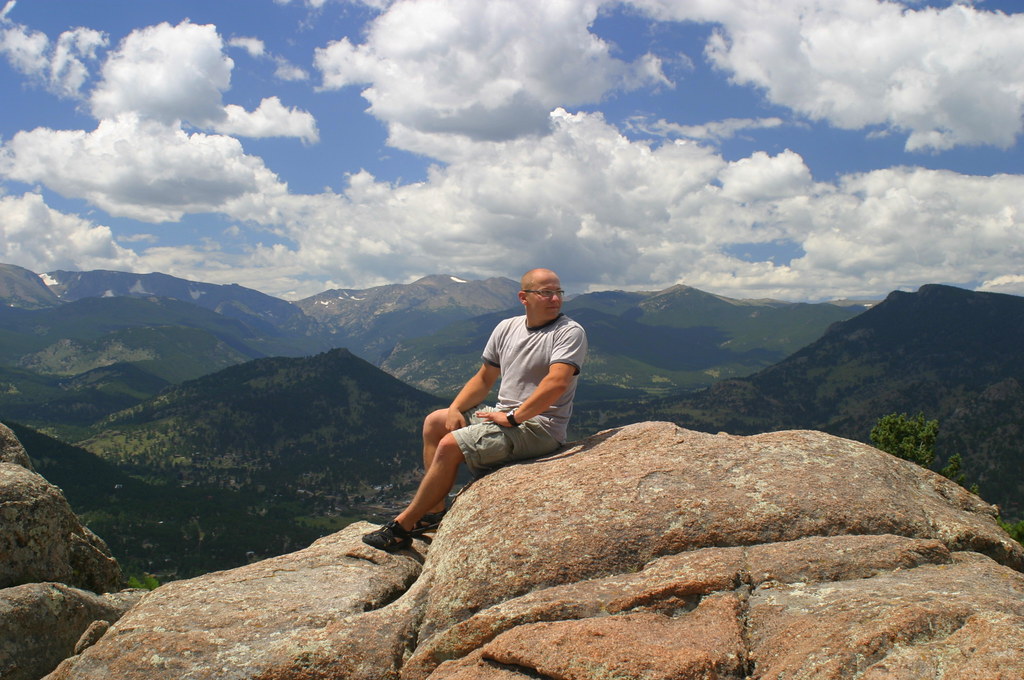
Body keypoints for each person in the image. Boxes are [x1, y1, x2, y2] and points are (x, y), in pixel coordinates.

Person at [362, 268, 588, 551]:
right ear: (524, 297)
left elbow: (556, 383)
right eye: (545, 292)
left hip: (539, 427)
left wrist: (512, 417)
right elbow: (484, 378)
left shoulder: (569, 332)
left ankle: (402, 526)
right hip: (505, 414)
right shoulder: (507, 328)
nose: (555, 298)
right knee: (436, 421)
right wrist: (456, 407)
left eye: (558, 292)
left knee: (449, 445)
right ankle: (432, 513)